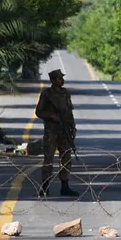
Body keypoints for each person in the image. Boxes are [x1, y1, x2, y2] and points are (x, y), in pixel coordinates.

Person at [34, 69, 79, 197]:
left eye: (61, 78)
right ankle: (45, 187)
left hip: (65, 132)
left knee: (65, 158)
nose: (61, 80)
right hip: (51, 132)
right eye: (59, 78)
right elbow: (39, 112)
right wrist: (51, 116)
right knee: (48, 159)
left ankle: (65, 186)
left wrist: (72, 127)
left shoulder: (65, 94)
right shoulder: (47, 94)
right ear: (53, 80)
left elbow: (69, 112)